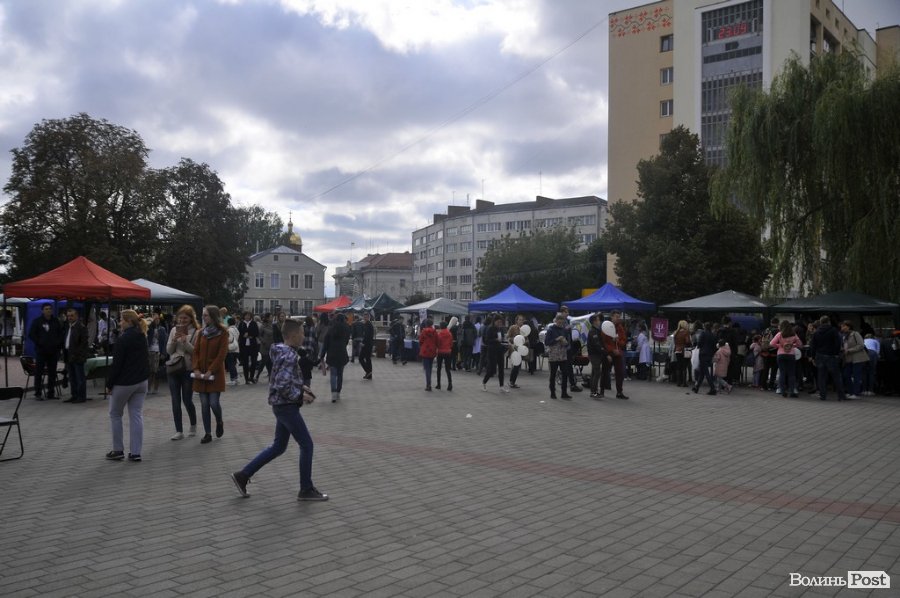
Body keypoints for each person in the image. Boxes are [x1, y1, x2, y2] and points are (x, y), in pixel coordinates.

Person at [230, 318, 328, 501]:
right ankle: (306, 489)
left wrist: (301, 387)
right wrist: (300, 395)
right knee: (307, 445)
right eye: (302, 333)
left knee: (279, 447)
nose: (304, 336)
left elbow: (279, 380)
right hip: (286, 407)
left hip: (281, 406)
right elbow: (282, 385)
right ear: (293, 335)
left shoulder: (281, 351)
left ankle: (243, 475)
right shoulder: (289, 356)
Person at [105, 310, 150, 462]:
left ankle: (118, 450)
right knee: (136, 415)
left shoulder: (123, 339)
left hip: (124, 382)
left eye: (121, 320)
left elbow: (117, 364)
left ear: (129, 321)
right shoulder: (142, 335)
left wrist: (109, 383)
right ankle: (136, 452)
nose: (120, 323)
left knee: (115, 414)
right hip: (141, 381)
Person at [193, 306, 229, 444]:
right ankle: (207, 433)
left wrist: (211, 370)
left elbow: (222, 354)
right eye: (203, 315)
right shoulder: (201, 333)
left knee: (213, 403)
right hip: (201, 375)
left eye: (206, 315)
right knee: (204, 404)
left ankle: (219, 421)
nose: (203, 317)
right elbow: (196, 352)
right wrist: (196, 369)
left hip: (214, 375)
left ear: (213, 316)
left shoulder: (223, 332)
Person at [166, 305, 199, 440]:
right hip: (174, 367)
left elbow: (195, 352)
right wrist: (174, 340)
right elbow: (169, 351)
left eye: (185, 318)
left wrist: (185, 341)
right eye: (180, 318)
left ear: (191, 318)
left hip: (187, 369)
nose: (182, 320)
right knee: (175, 400)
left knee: (187, 400)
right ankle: (179, 430)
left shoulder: (197, 332)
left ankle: (193, 424)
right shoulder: (174, 330)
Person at [28, 303, 64, 400]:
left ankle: (50, 393)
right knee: (39, 372)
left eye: (49, 309)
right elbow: (31, 334)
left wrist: (58, 344)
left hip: (53, 351)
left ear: (52, 310)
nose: (48, 310)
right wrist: (39, 342)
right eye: (46, 309)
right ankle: (38, 393)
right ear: (42, 310)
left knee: (52, 373)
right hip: (41, 351)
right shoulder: (37, 321)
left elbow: (61, 334)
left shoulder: (56, 321)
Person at [808, 315, 846, 401]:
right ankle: (841, 395)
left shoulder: (816, 332)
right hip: (831, 356)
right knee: (836, 376)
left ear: (821, 322)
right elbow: (838, 343)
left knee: (821, 377)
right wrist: (836, 353)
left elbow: (813, 346)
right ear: (829, 322)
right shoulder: (833, 330)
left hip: (820, 356)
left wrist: (813, 357)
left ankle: (823, 395)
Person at [62, 308, 89, 404]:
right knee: (72, 377)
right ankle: (74, 395)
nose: (70, 318)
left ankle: (81, 396)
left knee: (79, 378)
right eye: (68, 316)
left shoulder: (81, 327)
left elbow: (83, 343)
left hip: (77, 356)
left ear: (76, 316)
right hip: (69, 355)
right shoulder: (68, 326)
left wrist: (77, 354)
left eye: (72, 316)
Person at [321, 313, 350, 402]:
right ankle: (338, 392)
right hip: (342, 354)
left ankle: (333, 393)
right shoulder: (346, 329)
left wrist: (322, 355)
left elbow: (326, 343)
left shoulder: (331, 329)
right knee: (340, 374)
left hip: (332, 354)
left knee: (333, 374)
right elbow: (347, 341)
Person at [601, 310, 629, 400]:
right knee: (605, 372)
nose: (618, 318)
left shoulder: (620, 327)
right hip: (609, 353)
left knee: (620, 372)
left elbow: (624, 340)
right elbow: (603, 342)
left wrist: (618, 342)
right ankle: (601, 391)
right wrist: (611, 350)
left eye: (619, 317)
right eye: (616, 316)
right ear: (612, 317)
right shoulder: (606, 326)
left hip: (618, 352)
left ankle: (619, 392)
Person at [770, 320, 801, 398]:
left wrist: (780, 345)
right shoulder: (794, 334)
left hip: (781, 355)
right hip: (791, 355)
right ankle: (792, 391)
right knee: (791, 374)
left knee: (782, 373)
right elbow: (800, 344)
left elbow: (771, 343)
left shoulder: (780, 334)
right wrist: (792, 345)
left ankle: (782, 390)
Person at [545, 313, 573, 400]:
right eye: (559, 322)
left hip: (563, 355)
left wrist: (565, 342)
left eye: (562, 322)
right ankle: (552, 392)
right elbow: (547, 342)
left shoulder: (564, 330)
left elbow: (568, 343)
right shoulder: (551, 330)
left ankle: (564, 393)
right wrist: (557, 339)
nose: (560, 324)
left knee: (565, 373)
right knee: (553, 374)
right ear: (556, 321)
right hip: (553, 355)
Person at [481, 315, 509, 393]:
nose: (499, 323)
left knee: (501, 369)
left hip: (500, 350)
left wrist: (504, 341)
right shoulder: (490, 328)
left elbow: (502, 338)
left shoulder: (500, 329)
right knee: (491, 370)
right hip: (492, 351)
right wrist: (495, 339)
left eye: (501, 322)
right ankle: (484, 382)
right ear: (494, 321)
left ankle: (501, 386)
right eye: (498, 322)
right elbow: (487, 340)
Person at [841, 321, 867, 399]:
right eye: (842, 326)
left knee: (856, 375)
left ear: (848, 327)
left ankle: (856, 393)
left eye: (843, 326)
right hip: (848, 358)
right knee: (846, 374)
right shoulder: (844, 336)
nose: (842, 328)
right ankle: (850, 392)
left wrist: (849, 350)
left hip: (857, 358)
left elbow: (861, 345)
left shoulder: (855, 334)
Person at [692, 322, 718, 395]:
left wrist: (698, 346)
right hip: (709, 355)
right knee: (702, 372)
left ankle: (713, 388)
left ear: (704, 327)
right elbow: (715, 346)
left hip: (703, 354)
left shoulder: (703, 334)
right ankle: (697, 387)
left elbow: (699, 343)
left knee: (706, 372)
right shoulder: (713, 335)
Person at [586, 314, 607, 399]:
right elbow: (597, 344)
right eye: (598, 320)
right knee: (597, 372)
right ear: (594, 322)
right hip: (594, 355)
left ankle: (593, 391)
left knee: (594, 373)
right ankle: (593, 392)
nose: (599, 321)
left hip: (595, 354)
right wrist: (605, 352)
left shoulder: (596, 330)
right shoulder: (593, 331)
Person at [146, 312, 167, 395]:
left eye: (158, 318)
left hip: (158, 351)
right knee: (149, 371)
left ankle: (155, 388)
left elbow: (164, 342)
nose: (156, 320)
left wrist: (163, 353)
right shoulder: (149, 328)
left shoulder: (162, 329)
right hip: (149, 351)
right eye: (154, 319)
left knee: (157, 371)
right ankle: (148, 388)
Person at [237, 311, 259, 385]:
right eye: (246, 315)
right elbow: (239, 333)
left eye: (249, 315)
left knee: (254, 362)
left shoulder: (253, 323)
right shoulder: (241, 323)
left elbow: (256, 332)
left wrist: (249, 334)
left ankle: (251, 377)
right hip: (244, 346)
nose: (247, 317)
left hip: (253, 345)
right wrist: (244, 335)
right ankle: (246, 379)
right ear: (244, 316)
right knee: (245, 363)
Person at [506, 315, 526, 389]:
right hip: (514, 349)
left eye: (522, 320)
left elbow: (527, 340)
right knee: (516, 366)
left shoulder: (524, 329)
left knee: (517, 367)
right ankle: (511, 382)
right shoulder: (513, 327)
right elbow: (507, 337)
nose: (521, 321)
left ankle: (512, 382)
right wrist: (513, 340)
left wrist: (524, 341)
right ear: (516, 321)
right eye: (520, 320)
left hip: (521, 350)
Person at [299, 316, 319, 387]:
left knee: (303, 360)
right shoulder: (313, 328)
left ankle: (303, 376)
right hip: (310, 346)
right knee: (309, 361)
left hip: (303, 346)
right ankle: (307, 381)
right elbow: (314, 337)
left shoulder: (304, 327)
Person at [418, 319, 437, 391]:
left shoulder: (423, 331)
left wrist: (422, 346)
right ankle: (429, 383)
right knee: (430, 367)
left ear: (426, 324)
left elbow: (420, 341)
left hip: (425, 351)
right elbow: (437, 341)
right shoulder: (434, 332)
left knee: (427, 369)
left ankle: (428, 384)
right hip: (432, 351)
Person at [256, 312, 275, 381]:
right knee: (264, 361)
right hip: (265, 346)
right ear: (267, 318)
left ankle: (270, 376)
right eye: (271, 317)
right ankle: (257, 375)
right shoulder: (263, 326)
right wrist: (263, 341)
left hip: (272, 346)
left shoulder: (273, 325)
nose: (272, 318)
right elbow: (259, 335)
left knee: (270, 362)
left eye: (272, 317)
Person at [435, 321, 453, 391]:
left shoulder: (439, 334)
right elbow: (451, 344)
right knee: (447, 369)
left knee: (439, 368)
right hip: (448, 352)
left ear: (441, 326)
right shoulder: (449, 333)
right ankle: (450, 384)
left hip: (440, 352)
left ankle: (438, 384)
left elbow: (438, 343)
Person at [673, 320, 691, 387]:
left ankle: (678, 382)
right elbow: (687, 341)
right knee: (684, 366)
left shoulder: (676, 332)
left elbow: (674, 342)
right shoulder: (686, 332)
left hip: (677, 350)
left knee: (679, 366)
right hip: (684, 351)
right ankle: (684, 383)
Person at [359, 312, 375, 380]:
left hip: (367, 345)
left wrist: (363, 343)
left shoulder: (368, 324)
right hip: (368, 344)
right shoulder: (367, 324)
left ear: (368, 317)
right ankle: (369, 374)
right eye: (364, 317)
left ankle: (368, 372)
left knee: (361, 358)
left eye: (366, 317)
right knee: (368, 359)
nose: (365, 318)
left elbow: (367, 335)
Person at [225, 316, 240, 385]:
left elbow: (230, 339)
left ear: (228, 323)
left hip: (230, 349)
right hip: (236, 349)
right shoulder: (236, 329)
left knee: (231, 365)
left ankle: (233, 379)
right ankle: (236, 378)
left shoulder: (229, 330)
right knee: (234, 364)